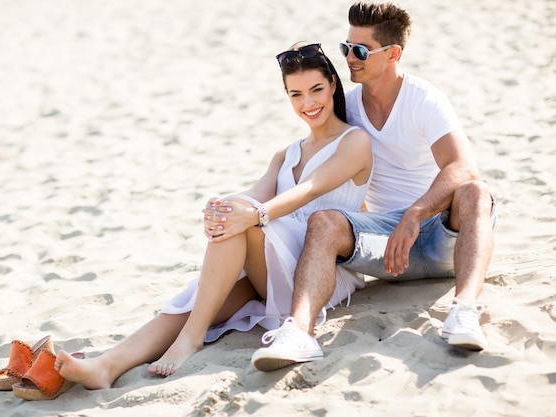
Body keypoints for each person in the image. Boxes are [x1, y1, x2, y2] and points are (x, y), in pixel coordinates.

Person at [54, 42, 373, 387]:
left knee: (240, 223)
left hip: (318, 268)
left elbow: (308, 190)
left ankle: (190, 340)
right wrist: (222, 206)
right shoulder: (287, 152)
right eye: (296, 95)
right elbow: (255, 194)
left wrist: (254, 215)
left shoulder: (354, 142)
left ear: (333, 86)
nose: (308, 103)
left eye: (316, 90)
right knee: (196, 298)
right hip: (271, 261)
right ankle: (107, 365)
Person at [245, 1, 496, 372]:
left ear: (393, 53)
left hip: (441, 237)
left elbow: (462, 166)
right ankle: (299, 331)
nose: (349, 58)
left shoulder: (423, 98)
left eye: (360, 50)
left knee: (476, 191)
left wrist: (416, 213)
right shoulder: (351, 108)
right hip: (385, 247)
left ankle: (464, 311)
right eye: (346, 48)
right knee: (325, 221)